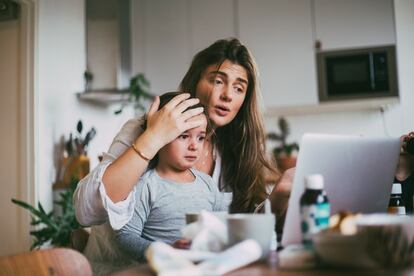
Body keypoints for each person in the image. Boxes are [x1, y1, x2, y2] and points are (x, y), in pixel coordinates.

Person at [74, 38, 293, 271]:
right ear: (194, 82)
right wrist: (154, 137)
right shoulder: (142, 129)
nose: (228, 95)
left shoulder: (232, 150)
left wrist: (276, 199)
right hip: (120, 271)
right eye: (218, 81)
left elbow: (236, 230)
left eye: (239, 88)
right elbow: (85, 212)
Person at [114, 92, 227, 262]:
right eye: (183, 136)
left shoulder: (207, 183)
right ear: (160, 136)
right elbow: (125, 236)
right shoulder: (147, 185)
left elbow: (221, 226)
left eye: (201, 137)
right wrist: (165, 251)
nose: (194, 146)